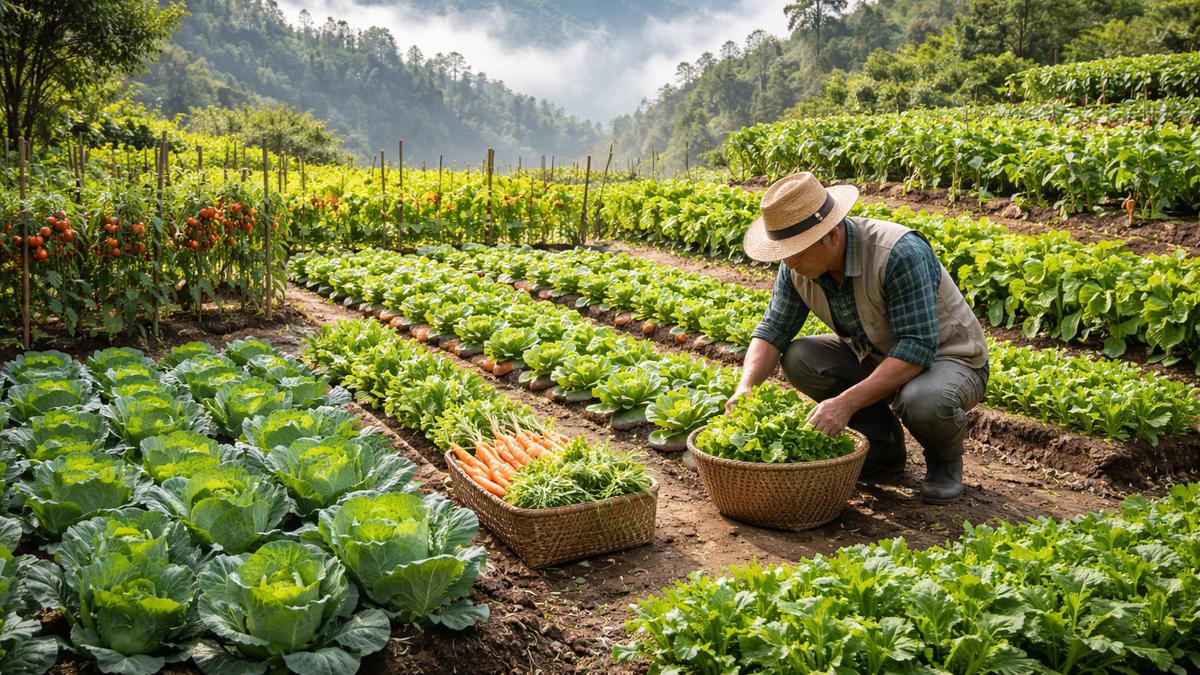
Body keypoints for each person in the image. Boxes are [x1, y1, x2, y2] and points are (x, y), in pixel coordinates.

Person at [726, 172, 989, 504]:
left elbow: (918, 347)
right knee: (800, 358)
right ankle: (883, 446)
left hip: (949, 358)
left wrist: (845, 404)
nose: (789, 261)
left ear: (832, 236)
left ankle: (945, 461)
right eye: (784, 252)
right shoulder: (796, 267)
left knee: (924, 400)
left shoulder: (899, 252)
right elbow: (772, 330)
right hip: (879, 353)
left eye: (796, 252)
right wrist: (746, 386)